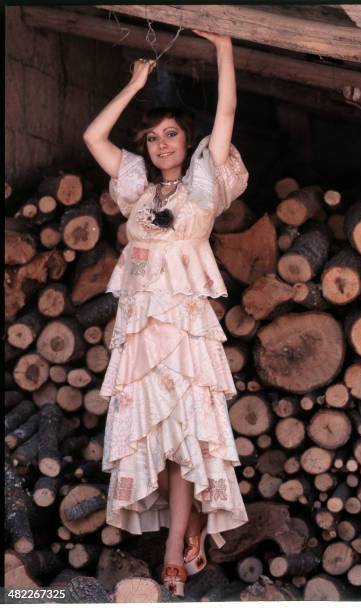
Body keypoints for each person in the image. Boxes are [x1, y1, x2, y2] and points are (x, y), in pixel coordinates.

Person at [82, 30, 249, 597]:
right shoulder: (137, 188)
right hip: (142, 328)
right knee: (158, 438)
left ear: (188, 138)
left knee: (186, 439)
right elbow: (92, 135)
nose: (161, 145)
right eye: (153, 138)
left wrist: (223, 48)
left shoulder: (205, 180)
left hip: (185, 328)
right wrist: (133, 84)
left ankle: (176, 547)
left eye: (171, 134)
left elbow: (227, 107)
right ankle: (185, 535)